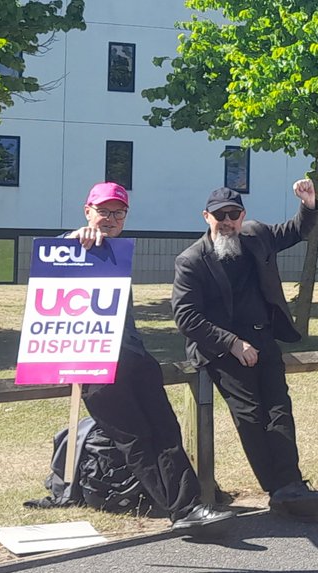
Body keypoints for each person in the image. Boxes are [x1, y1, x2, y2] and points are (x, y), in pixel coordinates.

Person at [63, 182, 234, 533]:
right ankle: (183, 510)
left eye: (118, 212)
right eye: (103, 211)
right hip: (95, 363)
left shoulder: (114, 252)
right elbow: (51, 270)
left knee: (167, 432)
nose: (110, 218)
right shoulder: (75, 246)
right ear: (87, 211)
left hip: (135, 357)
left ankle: (191, 507)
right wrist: (73, 238)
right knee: (136, 438)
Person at [171, 179, 318, 521]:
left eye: (234, 214)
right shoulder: (191, 261)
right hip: (222, 349)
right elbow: (186, 316)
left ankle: (291, 484)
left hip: (263, 338)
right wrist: (232, 343)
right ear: (206, 217)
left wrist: (309, 204)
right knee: (251, 415)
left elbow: (296, 230)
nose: (227, 222)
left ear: (243, 216)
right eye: (220, 216)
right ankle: (277, 488)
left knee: (279, 410)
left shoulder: (256, 235)